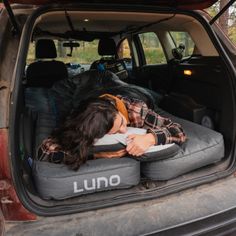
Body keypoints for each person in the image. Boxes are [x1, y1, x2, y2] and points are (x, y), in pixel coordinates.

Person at [38, 94, 186, 170]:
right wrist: (94, 154)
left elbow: (178, 131)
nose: (123, 130)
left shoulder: (136, 110)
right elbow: (45, 151)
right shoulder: (82, 124)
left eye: (121, 122)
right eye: (113, 133)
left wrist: (150, 138)